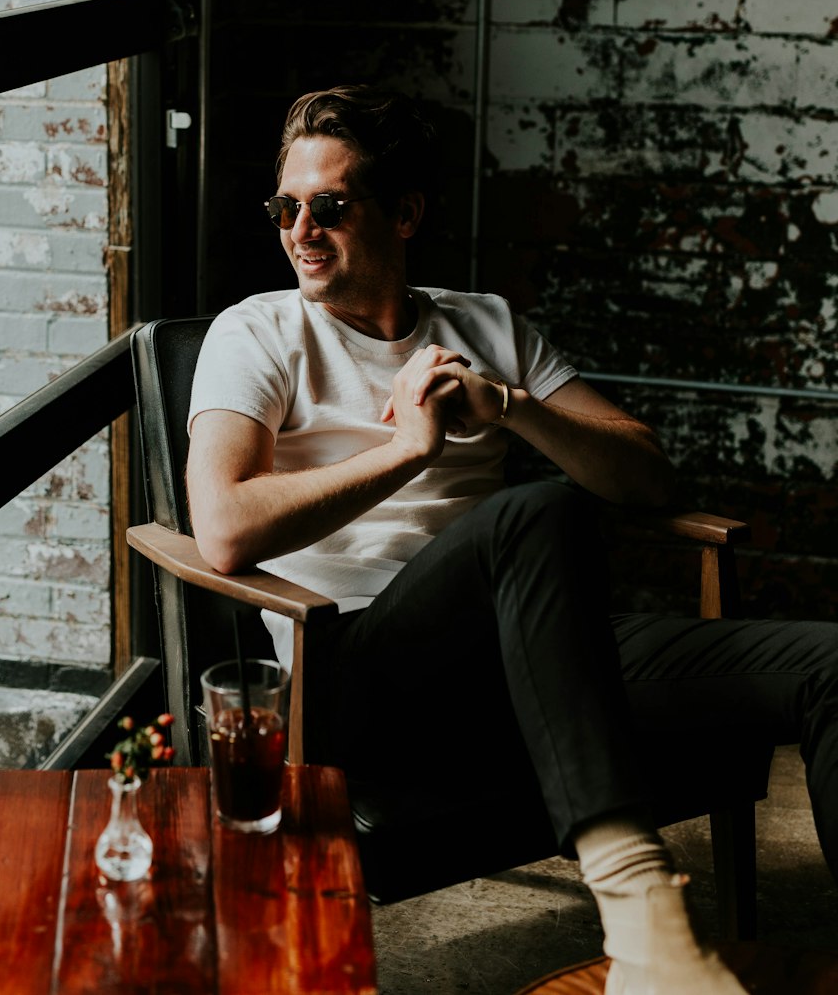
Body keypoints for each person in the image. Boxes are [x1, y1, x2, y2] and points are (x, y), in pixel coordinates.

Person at [186, 84, 838, 995]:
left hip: (541, 644)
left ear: (405, 214)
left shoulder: (484, 324)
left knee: (828, 664)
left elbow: (649, 478)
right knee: (535, 514)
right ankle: (643, 918)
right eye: (286, 207)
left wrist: (513, 409)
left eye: (330, 207)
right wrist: (412, 451)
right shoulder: (257, 333)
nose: (301, 230)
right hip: (365, 671)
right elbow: (220, 529)